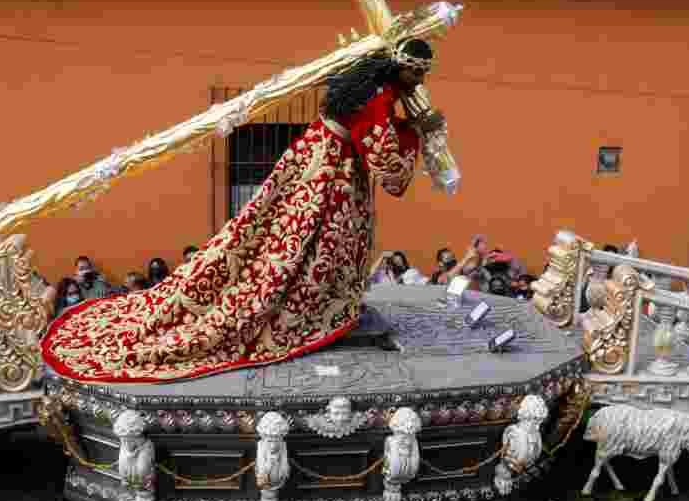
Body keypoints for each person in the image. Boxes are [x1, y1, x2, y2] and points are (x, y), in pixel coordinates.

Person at [42, 39, 435, 383]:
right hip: (333, 182)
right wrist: (417, 132)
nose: (421, 85)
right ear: (405, 71)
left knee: (275, 238)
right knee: (323, 249)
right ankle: (316, 312)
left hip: (310, 156)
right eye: (419, 77)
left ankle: (317, 303)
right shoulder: (379, 98)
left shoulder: (361, 79)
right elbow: (391, 174)